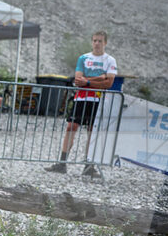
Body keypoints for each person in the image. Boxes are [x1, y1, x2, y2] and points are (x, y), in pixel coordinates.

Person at [45, 31, 116, 178]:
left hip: (98, 100)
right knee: (71, 127)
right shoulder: (83, 58)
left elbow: (108, 83)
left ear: (105, 43)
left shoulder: (110, 60)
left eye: (100, 41)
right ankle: (62, 163)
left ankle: (89, 166)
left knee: (92, 131)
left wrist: (89, 81)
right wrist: (100, 77)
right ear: (91, 42)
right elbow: (78, 80)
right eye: (95, 40)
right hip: (81, 98)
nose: (97, 43)